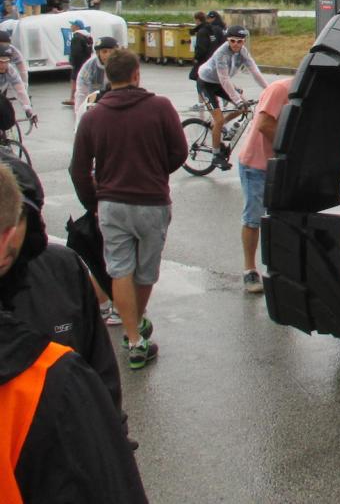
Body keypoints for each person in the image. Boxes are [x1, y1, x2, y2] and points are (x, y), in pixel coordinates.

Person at [0, 179, 148, 503]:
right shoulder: (46, 376)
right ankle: (135, 334)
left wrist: (112, 431)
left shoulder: (61, 269)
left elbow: (102, 371)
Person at [69, 49, 186, 371]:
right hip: (152, 201)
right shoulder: (160, 107)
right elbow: (180, 151)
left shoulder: (93, 116)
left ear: (108, 77)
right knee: (145, 271)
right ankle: (137, 322)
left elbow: (78, 168)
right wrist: (157, 171)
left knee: (119, 269)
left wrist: (93, 202)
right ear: (137, 74)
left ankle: (133, 338)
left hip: (111, 204)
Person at [0, 158, 126, 432]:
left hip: (70, 446)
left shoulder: (63, 267)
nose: (4, 239)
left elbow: (101, 369)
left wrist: (115, 438)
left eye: (14, 219)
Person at [236, 76, 291, 293]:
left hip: (280, 165)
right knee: (253, 218)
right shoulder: (279, 89)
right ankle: (249, 270)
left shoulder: (309, 94)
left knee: (279, 218)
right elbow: (265, 124)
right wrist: (290, 146)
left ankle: (279, 269)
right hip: (256, 165)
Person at [196, 25, 268, 170]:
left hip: (220, 83)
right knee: (220, 119)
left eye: (239, 41)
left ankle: (219, 126)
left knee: (245, 107)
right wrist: (237, 100)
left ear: (244, 42)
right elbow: (224, 79)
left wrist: (269, 89)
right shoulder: (221, 54)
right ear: (228, 40)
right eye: (232, 41)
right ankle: (216, 156)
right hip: (206, 83)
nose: (236, 44)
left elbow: (255, 72)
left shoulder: (243, 52)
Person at [74, 34, 118, 117]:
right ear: (98, 53)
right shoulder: (89, 66)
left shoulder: (122, 64)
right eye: (104, 51)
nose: (108, 55)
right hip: (96, 104)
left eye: (111, 51)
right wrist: (79, 113)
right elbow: (81, 91)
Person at [0, 46, 36, 135]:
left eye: (6, 61)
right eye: (1, 61)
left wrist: (28, 109)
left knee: (8, 115)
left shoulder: (10, 70)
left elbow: (20, 90)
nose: (3, 65)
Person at [65, 18, 93, 106]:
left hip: (78, 63)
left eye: (72, 25)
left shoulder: (76, 37)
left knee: (74, 80)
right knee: (84, 80)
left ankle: (73, 98)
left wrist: (72, 61)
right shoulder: (87, 37)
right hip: (85, 62)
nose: (71, 26)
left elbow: (76, 52)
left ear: (76, 27)